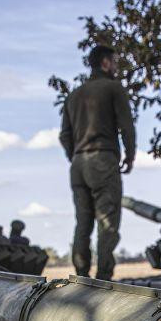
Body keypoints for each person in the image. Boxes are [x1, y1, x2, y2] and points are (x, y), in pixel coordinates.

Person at [58, 44, 136, 280]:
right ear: (105, 63)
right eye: (114, 62)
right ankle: (103, 279)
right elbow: (126, 126)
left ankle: (81, 275)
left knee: (83, 222)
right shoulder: (113, 88)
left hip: (78, 165)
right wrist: (129, 155)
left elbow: (64, 135)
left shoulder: (73, 95)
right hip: (102, 159)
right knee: (107, 221)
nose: (116, 66)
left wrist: (76, 155)